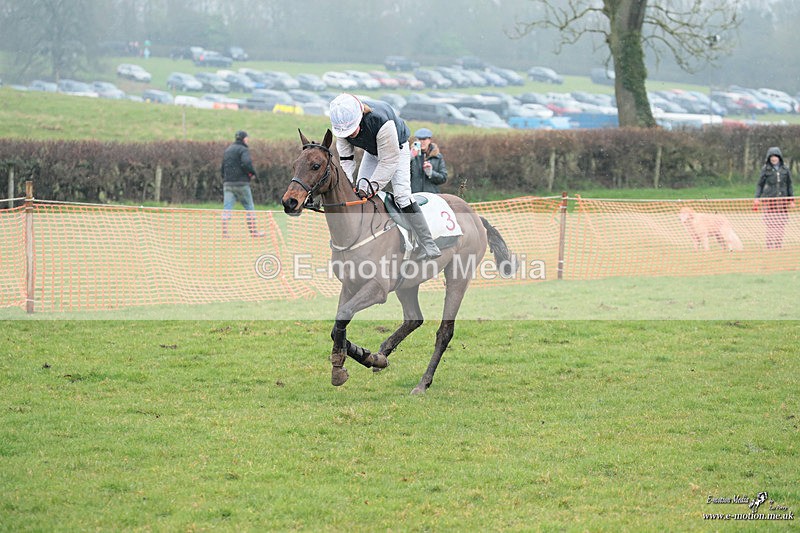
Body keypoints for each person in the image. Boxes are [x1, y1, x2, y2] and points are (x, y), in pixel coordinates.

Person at [329, 93, 441, 260]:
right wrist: (349, 184)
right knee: (359, 191)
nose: (350, 135)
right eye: (347, 133)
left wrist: (372, 187)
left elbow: (388, 162)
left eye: (353, 130)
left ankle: (428, 243)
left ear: (360, 117)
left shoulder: (381, 122)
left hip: (397, 148)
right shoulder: (342, 128)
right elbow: (346, 160)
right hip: (372, 150)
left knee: (402, 196)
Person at [221, 130, 264, 237]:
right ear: (244, 139)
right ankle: (254, 232)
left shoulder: (228, 150)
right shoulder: (243, 149)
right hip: (242, 183)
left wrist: (226, 178)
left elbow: (222, 167)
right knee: (249, 207)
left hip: (228, 183)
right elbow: (246, 163)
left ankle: (225, 232)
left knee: (227, 208)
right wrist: (252, 173)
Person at [754, 146, 794, 249]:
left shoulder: (785, 169)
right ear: (769, 158)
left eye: (775, 156)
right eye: (771, 157)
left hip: (782, 201)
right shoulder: (765, 169)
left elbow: (789, 184)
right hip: (769, 201)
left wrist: (791, 200)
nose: (774, 159)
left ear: (779, 157)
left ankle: (778, 244)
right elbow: (760, 184)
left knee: (781, 224)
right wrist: (757, 198)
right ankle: (770, 245)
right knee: (771, 224)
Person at [410, 127, 447, 193]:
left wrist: (431, 173)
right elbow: (402, 175)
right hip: (414, 197)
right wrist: (410, 158)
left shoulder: (438, 157)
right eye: (419, 139)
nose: (422, 142)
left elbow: (443, 178)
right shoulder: (410, 156)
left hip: (432, 197)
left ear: (429, 140)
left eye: (424, 139)